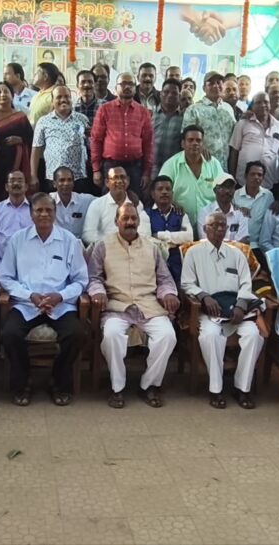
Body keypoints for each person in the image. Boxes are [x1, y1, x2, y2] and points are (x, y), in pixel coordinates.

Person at [0, 193, 90, 406]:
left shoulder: (69, 240)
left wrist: (61, 296)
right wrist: (28, 295)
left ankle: (58, 381)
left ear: (55, 213)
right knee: (9, 334)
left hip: (59, 306)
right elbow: (5, 277)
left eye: (48, 210)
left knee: (76, 334)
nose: (44, 214)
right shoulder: (18, 240)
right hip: (26, 305)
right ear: (31, 214)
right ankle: (23, 383)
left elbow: (81, 280)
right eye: (39, 210)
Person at [88, 203, 180, 409]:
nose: (130, 222)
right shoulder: (102, 246)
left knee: (167, 336)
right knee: (111, 335)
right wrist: (98, 292)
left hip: (148, 305)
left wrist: (169, 294)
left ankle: (149, 385)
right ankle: (117, 388)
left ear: (139, 221)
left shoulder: (151, 247)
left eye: (133, 218)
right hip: (117, 307)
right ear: (116, 221)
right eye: (125, 218)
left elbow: (165, 279)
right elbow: (94, 277)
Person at [182, 211, 265, 409]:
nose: (219, 229)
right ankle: (216, 389)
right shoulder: (194, 253)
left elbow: (246, 284)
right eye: (214, 225)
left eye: (223, 226)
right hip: (210, 312)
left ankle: (242, 388)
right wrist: (204, 296)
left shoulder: (237, 254)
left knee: (254, 335)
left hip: (237, 311)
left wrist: (241, 305)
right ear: (205, 229)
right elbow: (186, 283)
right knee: (210, 336)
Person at [91, 73, 154, 196]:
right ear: (116, 87)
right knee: (109, 202)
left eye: (131, 84)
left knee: (134, 202)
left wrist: (147, 172)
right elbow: (96, 139)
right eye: (123, 84)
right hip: (111, 166)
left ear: (135, 88)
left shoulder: (143, 112)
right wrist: (96, 169)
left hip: (134, 167)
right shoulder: (104, 109)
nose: (127, 87)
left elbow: (148, 143)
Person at [228, 92, 279, 187]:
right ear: (252, 106)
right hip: (243, 182)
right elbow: (234, 152)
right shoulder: (242, 124)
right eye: (258, 102)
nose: (263, 105)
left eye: (266, 102)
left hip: (270, 183)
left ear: (270, 105)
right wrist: (232, 178)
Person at [157, 124, 224, 228]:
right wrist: (172, 204)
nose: (195, 143)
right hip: (179, 223)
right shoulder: (171, 165)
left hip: (211, 225)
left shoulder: (213, 164)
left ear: (203, 144)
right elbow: (159, 191)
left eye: (198, 140)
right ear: (183, 143)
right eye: (190, 140)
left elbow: (224, 190)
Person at [31, 86, 90, 193]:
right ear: (52, 102)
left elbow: (91, 145)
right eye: (59, 97)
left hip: (78, 177)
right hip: (53, 178)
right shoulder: (43, 121)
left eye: (67, 96)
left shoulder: (82, 119)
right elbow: (36, 150)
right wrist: (33, 175)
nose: (63, 100)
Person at [82, 166, 151, 246]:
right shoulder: (97, 204)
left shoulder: (136, 204)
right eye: (115, 178)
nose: (119, 181)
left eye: (122, 177)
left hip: (132, 248)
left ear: (128, 181)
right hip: (105, 249)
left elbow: (144, 232)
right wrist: (112, 245)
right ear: (107, 182)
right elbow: (88, 235)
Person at [0, 82, 33, 199]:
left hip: (17, 163)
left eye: (6, 91)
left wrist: (20, 139)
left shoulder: (21, 117)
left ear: (12, 96)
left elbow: (32, 138)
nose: (3, 94)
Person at [183, 71, 237, 171]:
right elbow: (185, 138)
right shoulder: (194, 109)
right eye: (211, 83)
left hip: (225, 169)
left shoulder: (228, 109)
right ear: (204, 88)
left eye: (219, 82)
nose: (216, 85)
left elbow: (235, 136)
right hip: (202, 167)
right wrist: (200, 148)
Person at [147, 175, 194, 283]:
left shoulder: (181, 214)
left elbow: (189, 237)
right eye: (160, 189)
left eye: (168, 189)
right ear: (153, 194)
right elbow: (145, 240)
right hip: (154, 267)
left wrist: (159, 235)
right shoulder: (145, 214)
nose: (164, 192)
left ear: (172, 193)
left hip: (179, 267)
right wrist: (174, 241)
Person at [0, 171, 33, 269]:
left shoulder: (34, 210)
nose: (16, 183)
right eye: (12, 181)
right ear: (6, 187)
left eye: (20, 181)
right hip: (3, 267)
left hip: (30, 267)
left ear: (26, 187)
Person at [198, 174, 249, 243]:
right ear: (215, 190)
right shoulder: (205, 213)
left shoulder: (241, 213)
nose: (227, 191)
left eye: (231, 187)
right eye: (223, 187)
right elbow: (206, 241)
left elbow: (242, 242)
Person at [234, 161, 273, 251]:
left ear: (263, 178)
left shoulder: (268, 196)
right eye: (252, 174)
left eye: (259, 175)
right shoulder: (235, 195)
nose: (256, 177)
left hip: (258, 246)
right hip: (238, 244)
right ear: (246, 176)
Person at [49, 166, 95, 239]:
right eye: (62, 180)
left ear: (73, 183)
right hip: (55, 242)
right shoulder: (47, 201)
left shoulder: (84, 200)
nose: (66, 183)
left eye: (69, 180)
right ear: (54, 183)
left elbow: (104, 201)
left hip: (79, 243)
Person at [151, 79, 185, 176]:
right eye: (166, 92)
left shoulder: (185, 118)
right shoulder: (150, 115)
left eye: (174, 93)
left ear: (179, 96)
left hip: (175, 171)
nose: (170, 95)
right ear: (160, 94)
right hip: (152, 170)